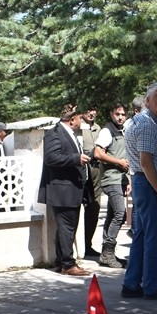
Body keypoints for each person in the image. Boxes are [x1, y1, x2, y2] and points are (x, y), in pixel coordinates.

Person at [122, 82, 157, 300]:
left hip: (143, 183)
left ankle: (131, 284)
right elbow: (146, 162)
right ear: (147, 100)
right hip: (150, 184)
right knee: (155, 237)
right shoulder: (146, 124)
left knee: (142, 235)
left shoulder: (140, 121)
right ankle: (152, 287)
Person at [43, 105, 92, 277]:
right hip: (62, 190)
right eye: (79, 118)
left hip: (71, 189)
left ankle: (60, 261)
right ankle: (68, 264)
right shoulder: (55, 133)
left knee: (66, 227)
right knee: (67, 227)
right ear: (72, 120)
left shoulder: (68, 133)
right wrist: (76, 158)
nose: (81, 121)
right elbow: (50, 157)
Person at [93, 103, 131, 268]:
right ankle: (108, 253)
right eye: (117, 114)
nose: (120, 117)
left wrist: (127, 179)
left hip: (120, 179)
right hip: (111, 179)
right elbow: (98, 153)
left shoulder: (123, 130)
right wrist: (118, 162)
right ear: (111, 114)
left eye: (123, 114)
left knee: (111, 215)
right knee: (120, 214)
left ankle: (107, 254)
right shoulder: (107, 131)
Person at [78, 105, 102, 260]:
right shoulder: (77, 127)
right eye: (89, 110)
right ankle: (78, 245)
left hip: (96, 171)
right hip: (82, 170)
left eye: (94, 109)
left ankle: (88, 244)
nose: (92, 113)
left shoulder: (98, 128)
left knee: (94, 207)